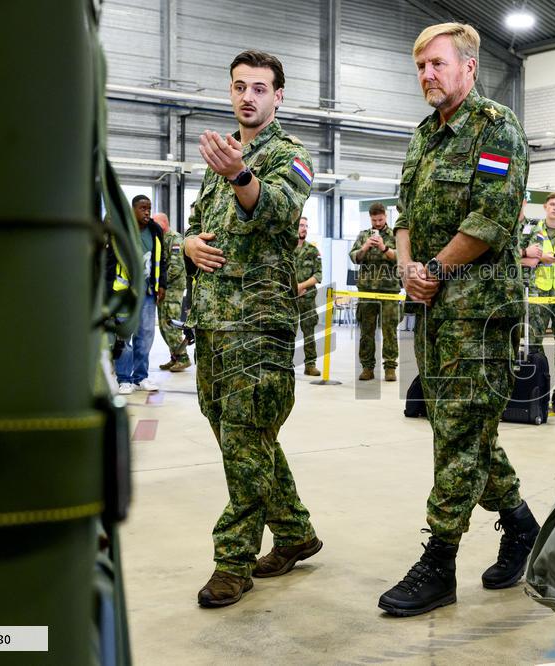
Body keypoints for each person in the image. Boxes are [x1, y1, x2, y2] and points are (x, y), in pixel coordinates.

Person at [379, 22, 540, 618]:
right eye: (421, 67)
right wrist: (406, 269)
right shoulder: (424, 137)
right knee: (463, 432)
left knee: (458, 439)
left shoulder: (497, 128)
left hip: (479, 315)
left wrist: (435, 272)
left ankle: (440, 562)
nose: (427, 75)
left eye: (437, 64)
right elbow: (402, 215)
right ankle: (522, 526)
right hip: (433, 313)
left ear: (469, 67)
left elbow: (491, 217)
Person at [183, 50, 321, 609]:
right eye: (239, 86)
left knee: (246, 440)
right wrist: (187, 246)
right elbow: (195, 229)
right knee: (245, 439)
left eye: (259, 88)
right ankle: (294, 532)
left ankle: (232, 562)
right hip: (214, 323)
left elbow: (280, 211)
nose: (247, 96)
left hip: (258, 328)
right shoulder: (220, 163)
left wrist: (240, 173)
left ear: (278, 96)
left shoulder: (291, 156)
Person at [113, 194, 167, 394]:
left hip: (147, 292)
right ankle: (124, 379)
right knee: (124, 335)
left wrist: (162, 284)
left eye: (149, 208)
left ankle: (140, 377)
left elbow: (161, 260)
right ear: (132, 209)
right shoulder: (121, 229)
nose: (147, 212)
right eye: (142, 208)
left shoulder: (155, 230)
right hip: (124, 292)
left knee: (145, 335)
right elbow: (109, 260)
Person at [521, 193, 555, 390]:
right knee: (534, 340)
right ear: (545, 207)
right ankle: (541, 382)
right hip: (538, 294)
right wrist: (541, 258)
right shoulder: (531, 229)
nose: (554, 208)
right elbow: (522, 255)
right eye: (551, 204)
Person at [349, 202, 400, 382]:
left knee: (390, 331)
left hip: (389, 291)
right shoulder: (363, 235)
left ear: (386, 216)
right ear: (370, 218)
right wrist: (365, 247)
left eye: (380, 219)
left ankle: (390, 367)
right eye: (374, 220)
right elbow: (354, 257)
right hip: (367, 291)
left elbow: (401, 258)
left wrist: (383, 248)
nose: (377, 223)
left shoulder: (395, 235)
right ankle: (367, 367)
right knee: (366, 331)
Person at [154, 212, 191, 372]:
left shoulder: (175, 238)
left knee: (170, 323)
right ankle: (175, 356)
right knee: (163, 325)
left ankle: (183, 358)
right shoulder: (161, 238)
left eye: (155, 223)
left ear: (163, 223)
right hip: (165, 288)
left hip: (173, 287)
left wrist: (161, 284)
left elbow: (176, 267)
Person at [293, 216, 322, 376]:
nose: (304, 228)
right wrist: (292, 289)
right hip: (288, 300)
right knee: (287, 332)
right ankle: (285, 364)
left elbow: (318, 275)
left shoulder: (312, 251)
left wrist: (301, 286)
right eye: (301, 225)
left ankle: (310, 365)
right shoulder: (286, 249)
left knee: (309, 332)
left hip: (307, 300)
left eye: (306, 226)